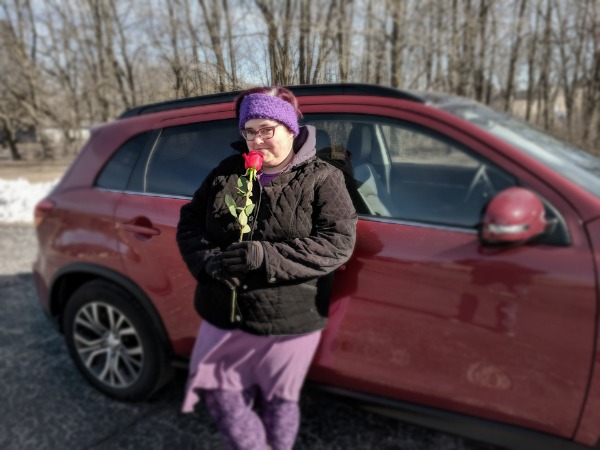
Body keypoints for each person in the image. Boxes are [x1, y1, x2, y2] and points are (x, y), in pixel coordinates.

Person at [176, 85, 357, 450]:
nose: (256, 141)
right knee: (220, 394)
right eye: (248, 131)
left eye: (266, 130)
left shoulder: (323, 178)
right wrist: (208, 261)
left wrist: (266, 258)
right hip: (224, 310)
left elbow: (338, 243)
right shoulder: (227, 172)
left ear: (290, 129)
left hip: (289, 318)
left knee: (279, 400)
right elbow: (190, 223)